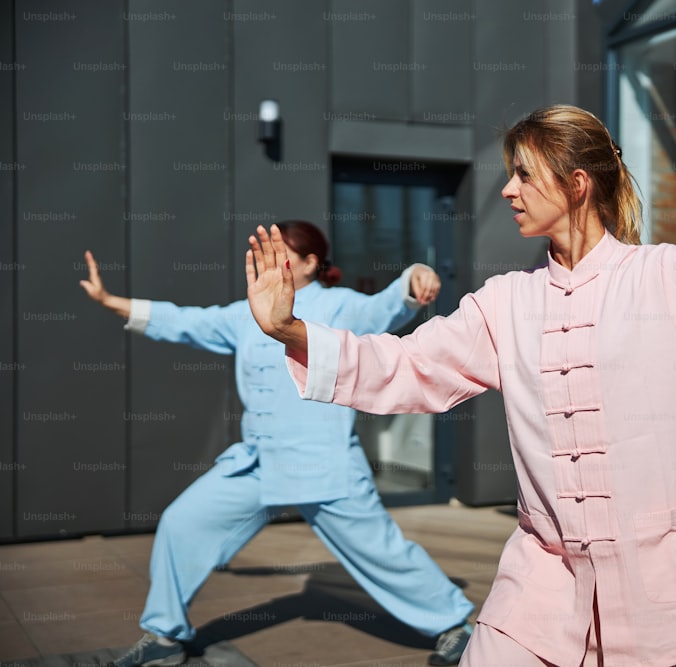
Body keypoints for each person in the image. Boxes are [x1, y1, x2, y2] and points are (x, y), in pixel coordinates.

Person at [244, 105, 676, 666]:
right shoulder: (506, 302)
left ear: (576, 184)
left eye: (523, 173)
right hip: (545, 577)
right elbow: (407, 364)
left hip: (670, 577)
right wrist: (291, 330)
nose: (507, 190)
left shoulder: (665, 278)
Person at [81, 220, 476, 667]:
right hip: (256, 463)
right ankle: (164, 635)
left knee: (382, 552)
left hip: (324, 466)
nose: (273, 260)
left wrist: (415, 276)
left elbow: (386, 307)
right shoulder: (246, 310)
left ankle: (455, 626)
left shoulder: (339, 305)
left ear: (311, 263)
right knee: (182, 523)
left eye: (285, 252)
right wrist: (110, 301)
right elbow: (186, 320)